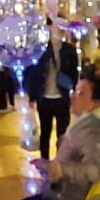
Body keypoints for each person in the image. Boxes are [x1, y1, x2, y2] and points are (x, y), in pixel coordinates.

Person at [23, 20, 79, 159]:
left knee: (62, 134)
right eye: (55, 25)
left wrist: (74, 91)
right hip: (44, 98)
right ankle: (44, 161)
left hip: (62, 97)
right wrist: (32, 96)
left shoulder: (69, 50)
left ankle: (60, 161)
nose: (59, 29)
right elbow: (32, 73)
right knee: (45, 132)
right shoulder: (40, 49)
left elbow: (74, 73)